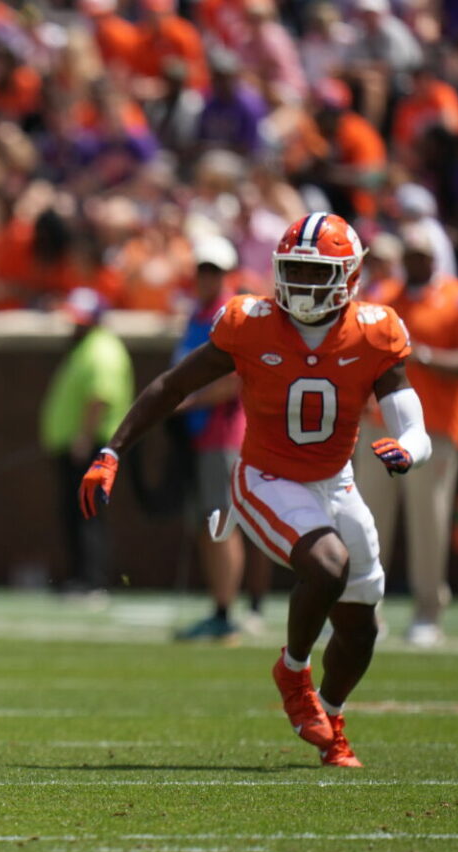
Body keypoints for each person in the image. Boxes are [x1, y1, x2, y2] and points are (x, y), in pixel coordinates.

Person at [80, 213, 432, 768]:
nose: (304, 286)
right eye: (295, 271)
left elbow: (412, 422)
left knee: (362, 625)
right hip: (265, 478)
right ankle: (293, 672)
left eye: (318, 274)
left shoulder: (375, 329)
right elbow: (173, 385)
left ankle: (332, 715)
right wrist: (112, 450)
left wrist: (407, 448)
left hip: (336, 483)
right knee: (328, 564)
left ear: (351, 276)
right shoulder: (249, 321)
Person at [359, 225, 458, 646]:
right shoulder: (384, 296)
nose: (417, 260)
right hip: (380, 423)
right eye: (411, 253)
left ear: (436, 257)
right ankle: (365, 611)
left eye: (423, 253)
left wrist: (426, 356)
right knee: (368, 521)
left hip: (434, 427)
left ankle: (427, 610)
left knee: (428, 521)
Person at [171, 235, 269, 643]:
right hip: (199, 436)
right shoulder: (198, 314)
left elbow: (233, 381)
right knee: (207, 525)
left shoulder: (230, 315)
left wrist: (185, 403)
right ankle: (219, 607)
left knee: (223, 523)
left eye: (214, 270)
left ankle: (229, 611)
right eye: (202, 269)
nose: (206, 277)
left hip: (224, 433)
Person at [40, 287, 133, 598]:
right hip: (78, 445)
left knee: (86, 514)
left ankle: (92, 580)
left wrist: (83, 437)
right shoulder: (90, 346)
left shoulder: (101, 349)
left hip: (90, 446)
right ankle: (81, 577)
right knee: (75, 513)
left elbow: (99, 397)